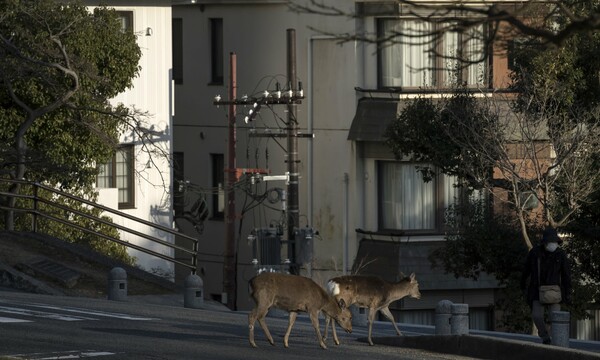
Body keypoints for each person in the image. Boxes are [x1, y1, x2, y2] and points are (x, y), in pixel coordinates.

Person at [520, 227, 572, 344]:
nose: (553, 244)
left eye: (555, 242)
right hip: (537, 290)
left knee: (556, 317)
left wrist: (567, 292)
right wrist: (523, 284)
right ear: (545, 242)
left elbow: (566, 274)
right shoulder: (535, 253)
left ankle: (557, 341)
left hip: (555, 291)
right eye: (551, 242)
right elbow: (526, 270)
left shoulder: (560, 254)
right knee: (537, 316)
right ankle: (545, 336)